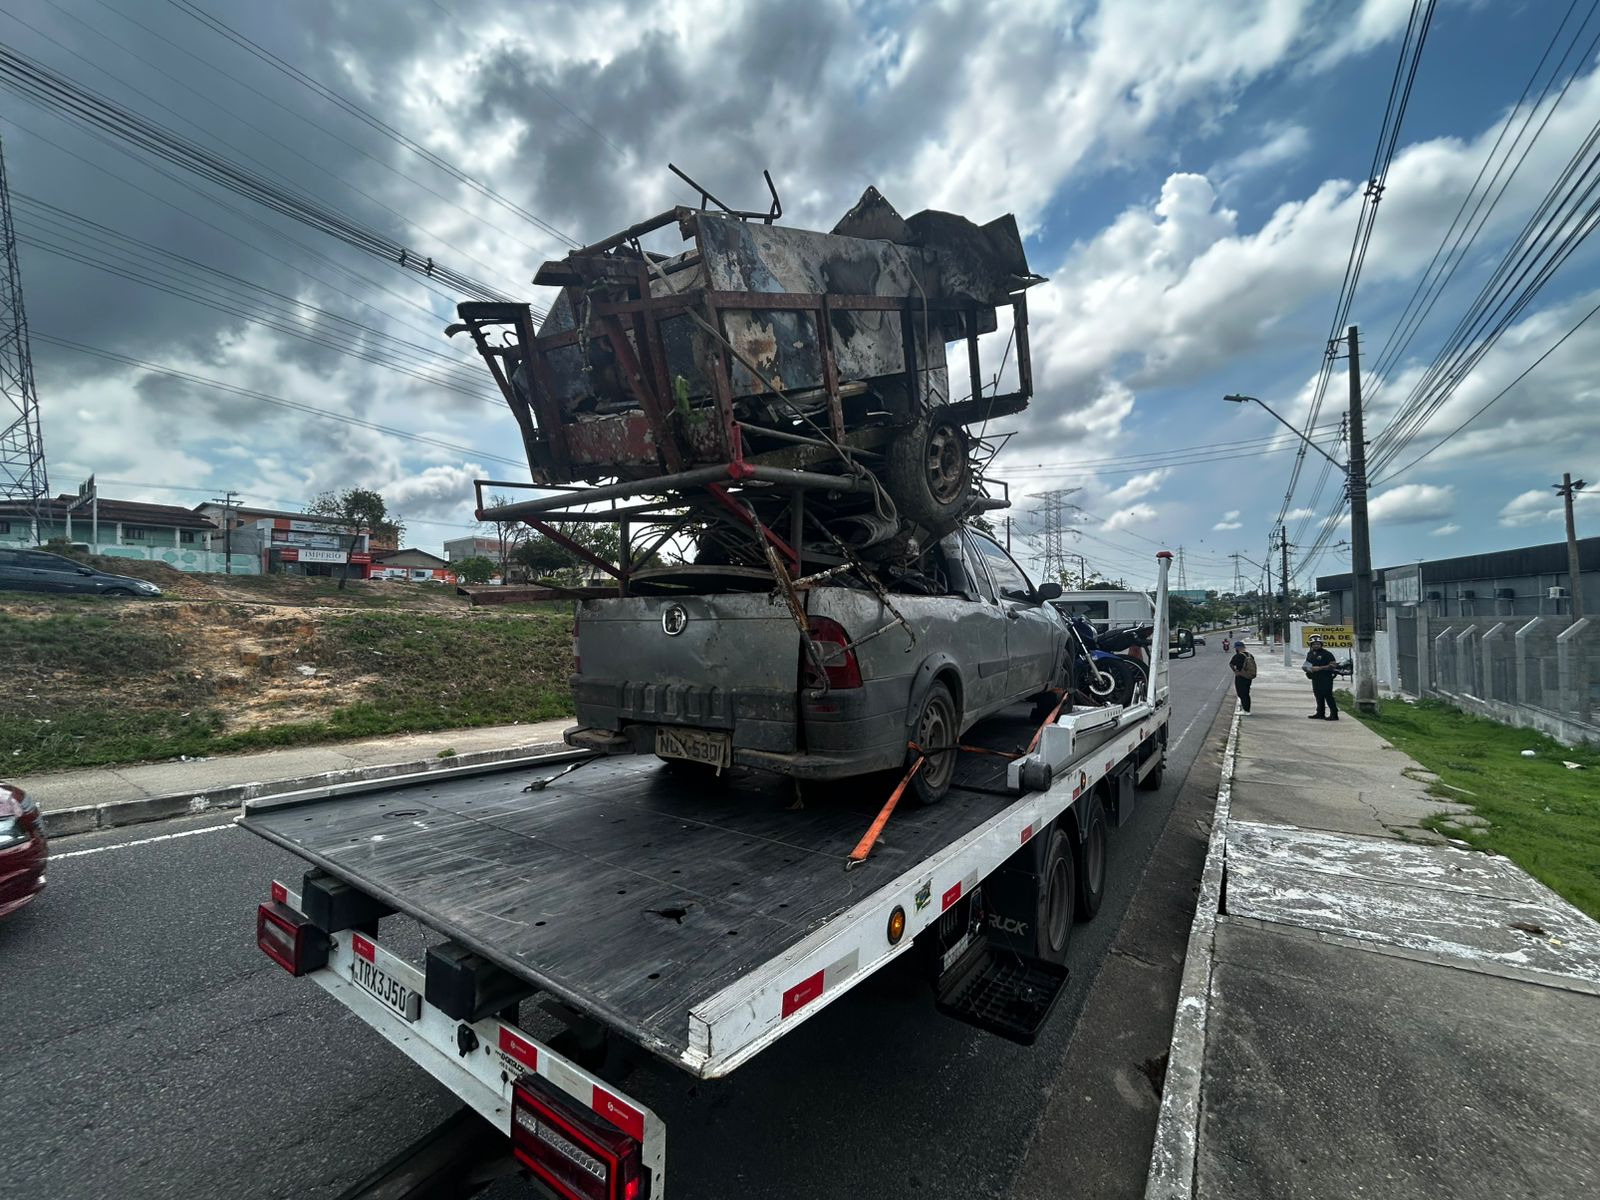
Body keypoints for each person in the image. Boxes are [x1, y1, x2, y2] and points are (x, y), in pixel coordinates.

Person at [1303, 634, 1340, 720]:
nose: (1316, 645)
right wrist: (1308, 669)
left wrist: (1320, 668)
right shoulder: (1310, 654)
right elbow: (1306, 665)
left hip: (1326, 677)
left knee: (1328, 695)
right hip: (1315, 678)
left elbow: (1333, 665)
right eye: (1314, 644)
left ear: (1321, 644)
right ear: (1311, 645)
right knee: (1318, 695)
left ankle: (1334, 714)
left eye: (1318, 644)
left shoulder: (1327, 654)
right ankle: (1320, 713)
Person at [1228, 639, 1255, 714]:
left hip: (1240, 676)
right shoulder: (1250, 655)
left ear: (1237, 648)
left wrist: (1235, 671)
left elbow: (1231, 664)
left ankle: (1246, 710)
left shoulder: (1238, 656)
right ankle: (1247, 709)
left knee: (1241, 693)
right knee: (1246, 692)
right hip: (1248, 677)